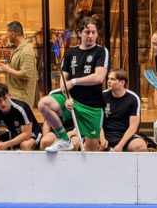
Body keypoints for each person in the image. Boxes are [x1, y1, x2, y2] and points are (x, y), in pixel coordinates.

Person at [39, 16, 109, 152]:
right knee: (44, 104)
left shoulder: (101, 51)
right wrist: (66, 98)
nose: (91, 36)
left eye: (94, 32)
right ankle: (64, 139)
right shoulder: (70, 53)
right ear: (79, 33)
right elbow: (63, 83)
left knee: (91, 149)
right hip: (72, 102)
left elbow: (99, 77)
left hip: (91, 107)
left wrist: (74, 81)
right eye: (87, 32)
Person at [0, 21, 38, 106]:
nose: (7, 36)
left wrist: (8, 69)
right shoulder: (18, 48)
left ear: (13, 33)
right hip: (14, 95)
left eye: (7, 33)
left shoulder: (26, 51)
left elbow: (26, 75)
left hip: (22, 98)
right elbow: (13, 70)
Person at [101, 69, 148, 152]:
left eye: (112, 79)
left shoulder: (133, 98)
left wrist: (120, 145)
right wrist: (102, 139)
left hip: (125, 136)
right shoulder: (102, 95)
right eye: (108, 79)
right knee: (89, 145)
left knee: (141, 147)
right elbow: (97, 122)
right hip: (105, 135)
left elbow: (133, 127)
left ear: (122, 83)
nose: (108, 81)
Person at [0, 82, 40, 151]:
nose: (3, 103)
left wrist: (7, 144)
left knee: (25, 145)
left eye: (5, 98)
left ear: (9, 95)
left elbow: (27, 134)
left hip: (32, 132)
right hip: (14, 134)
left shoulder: (21, 108)